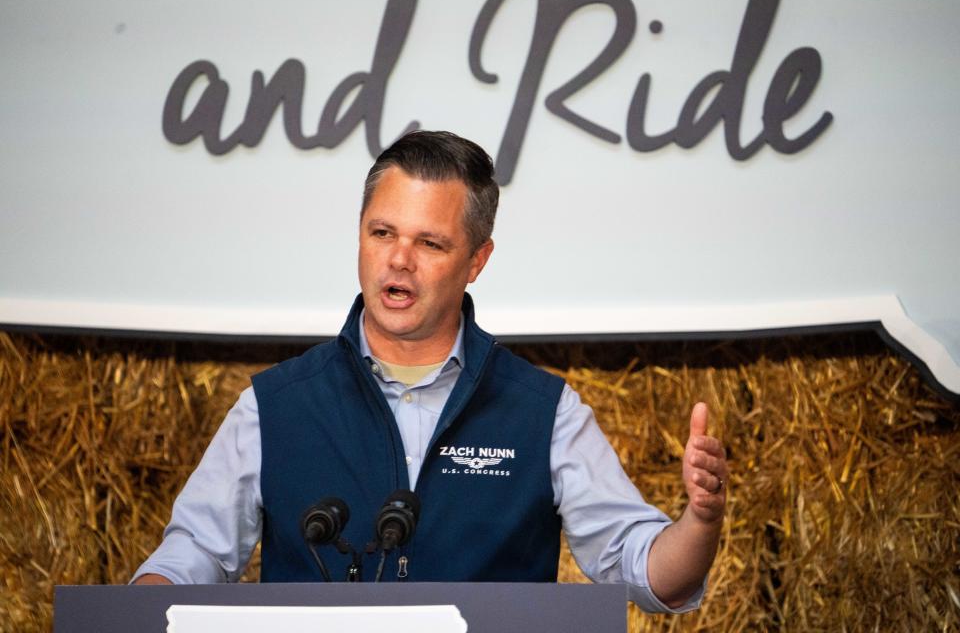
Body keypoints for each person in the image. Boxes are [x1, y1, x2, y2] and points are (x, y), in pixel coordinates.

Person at [133, 130, 728, 613]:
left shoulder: (544, 412)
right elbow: (192, 556)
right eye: (382, 232)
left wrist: (700, 521)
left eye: (430, 244)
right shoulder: (275, 405)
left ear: (477, 261)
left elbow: (645, 572)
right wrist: (133, 609)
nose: (398, 259)